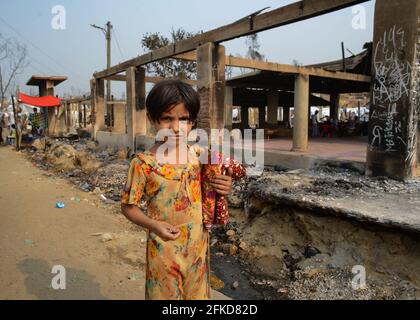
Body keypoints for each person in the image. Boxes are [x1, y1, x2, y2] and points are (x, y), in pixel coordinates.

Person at [120, 80, 233, 300]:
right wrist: (154, 225)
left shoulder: (199, 155)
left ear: (192, 123)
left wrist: (225, 186)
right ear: (153, 119)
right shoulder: (143, 163)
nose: (175, 127)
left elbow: (214, 188)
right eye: (167, 118)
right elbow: (128, 207)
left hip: (197, 248)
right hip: (163, 249)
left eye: (184, 119)